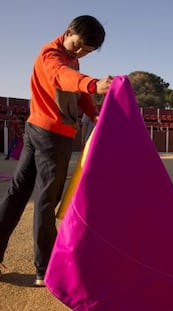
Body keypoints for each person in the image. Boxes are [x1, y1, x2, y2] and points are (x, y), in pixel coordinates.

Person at [0, 15, 113, 286]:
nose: (80, 53)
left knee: (17, 193)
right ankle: (45, 268)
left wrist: (94, 114)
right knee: (46, 199)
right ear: (67, 32)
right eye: (78, 46)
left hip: (37, 129)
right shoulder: (51, 54)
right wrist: (94, 84)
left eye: (86, 51)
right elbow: (63, 77)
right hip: (52, 135)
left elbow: (79, 93)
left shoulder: (70, 59)